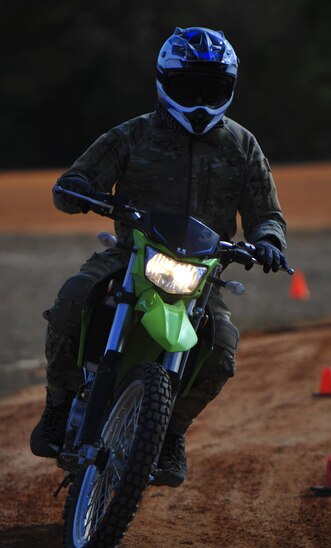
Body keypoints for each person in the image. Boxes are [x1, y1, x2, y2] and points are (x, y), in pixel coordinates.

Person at [29, 27, 288, 488]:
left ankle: (171, 432)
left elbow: (266, 213)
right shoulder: (131, 135)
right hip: (130, 255)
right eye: (190, 87)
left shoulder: (242, 144)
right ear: (165, 82)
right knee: (74, 297)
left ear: (229, 88)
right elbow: (73, 184)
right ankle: (57, 405)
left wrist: (268, 240)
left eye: (212, 87)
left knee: (222, 347)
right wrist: (76, 189)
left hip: (204, 272)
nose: (201, 97)